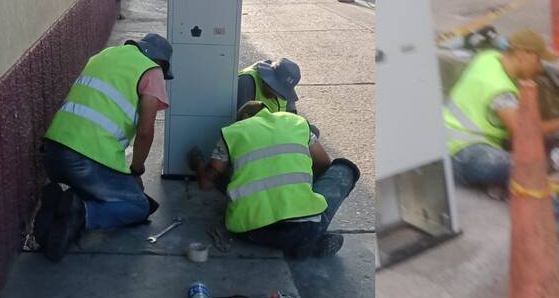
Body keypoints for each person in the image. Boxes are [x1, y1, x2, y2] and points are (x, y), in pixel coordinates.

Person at [443, 29, 559, 239]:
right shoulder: (499, 90)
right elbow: (526, 133)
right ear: (523, 55)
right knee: (522, 167)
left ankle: (505, 185)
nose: (540, 68)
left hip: (484, 142)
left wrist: (545, 70)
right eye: (538, 61)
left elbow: (506, 47)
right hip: (461, 153)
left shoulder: (489, 58)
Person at [33, 33, 173, 261]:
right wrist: (136, 170)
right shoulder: (151, 70)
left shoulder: (104, 55)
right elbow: (146, 131)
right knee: (138, 206)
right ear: (160, 62)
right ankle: (81, 214)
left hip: (53, 154)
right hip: (86, 159)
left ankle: (60, 207)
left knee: (100, 189)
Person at [187, 102, 359, 259]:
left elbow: (206, 182)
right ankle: (311, 241)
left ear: (244, 118)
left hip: (249, 231)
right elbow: (323, 163)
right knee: (343, 168)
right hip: (302, 228)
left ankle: (307, 243)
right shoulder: (296, 122)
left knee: (229, 181)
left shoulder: (232, 132)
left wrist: (198, 164)